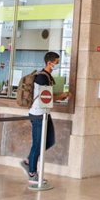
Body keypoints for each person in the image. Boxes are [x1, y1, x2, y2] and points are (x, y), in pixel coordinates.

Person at [20, 52, 71, 184]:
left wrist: (60, 95)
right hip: (38, 114)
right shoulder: (42, 77)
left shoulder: (47, 76)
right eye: (56, 62)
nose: (57, 65)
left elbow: (47, 96)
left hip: (44, 114)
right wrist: (62, 95)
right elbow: (46, 98)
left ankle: (28, 161)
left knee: (49, 141)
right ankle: (32, 173)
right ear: (49, 63)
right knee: (37, 144)